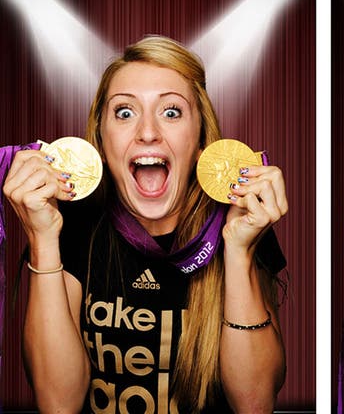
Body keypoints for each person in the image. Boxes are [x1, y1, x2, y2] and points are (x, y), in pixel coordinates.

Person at [2, 36, 288, 413]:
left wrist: (238, 250)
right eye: (124, 112)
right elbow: (59, 404)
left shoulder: (241, 219)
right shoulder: (71, 222)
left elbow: (253, 403)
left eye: (171, 112)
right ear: (100, 142)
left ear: (201, 141)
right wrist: (42, 238)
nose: (148, 132)